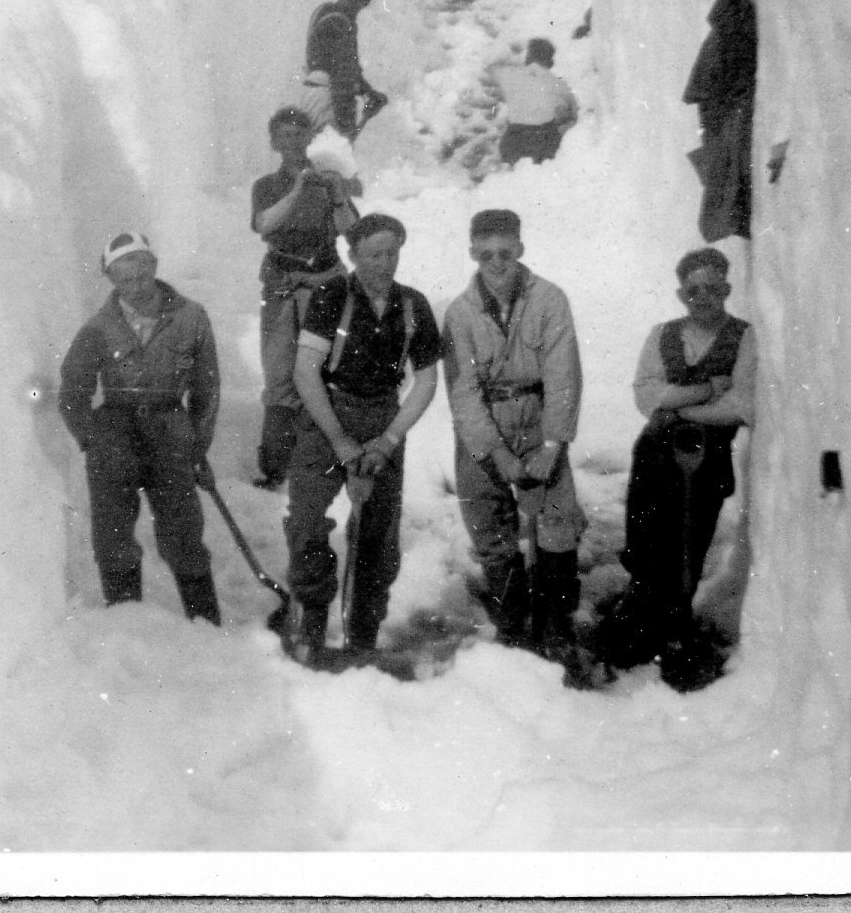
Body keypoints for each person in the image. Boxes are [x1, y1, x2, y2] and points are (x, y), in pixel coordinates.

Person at [440, 209, 594, 678]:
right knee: (489, 526)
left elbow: (563, 374)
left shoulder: (549, 300)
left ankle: (556, 625)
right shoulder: (460, 313)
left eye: (505, 253)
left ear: (520, 250)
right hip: (484, 424)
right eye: (486, 255)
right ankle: (512, 621)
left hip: (537, 416)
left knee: (555, 522)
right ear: (472, 254)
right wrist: (496, 452)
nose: (497, 263)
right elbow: (462, 391)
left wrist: (552, 443)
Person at [283, 213, 441, 664]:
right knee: (308, 522)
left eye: (392, 253)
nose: (384, 263)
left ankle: (363, 636)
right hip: (327, 413)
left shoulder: (413, 305)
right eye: (374, 254)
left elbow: (426, 381)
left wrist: (389, 439)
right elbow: (305, 371)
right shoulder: (330, 296)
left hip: (381, 418)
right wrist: (338, 439)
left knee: (378, 534)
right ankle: (310, 626)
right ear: (353, 256)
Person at [603, 247, 757, 687]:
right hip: (654, 454)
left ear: (726, 289)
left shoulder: (743, 337)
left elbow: (741, 406)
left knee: (689, 538)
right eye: (693, 290)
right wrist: (706, 389)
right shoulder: (662, 335)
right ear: (680, 293)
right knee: (644, 535)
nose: (702, 297)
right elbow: (646, 397)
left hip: (705, 460)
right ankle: (640, 614)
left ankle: (677, 625)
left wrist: (681, 409)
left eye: (712, 288)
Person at [58, 231, 223, 624]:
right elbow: (71, 391)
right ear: (112, 280)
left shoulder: (191, 317)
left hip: (170, 428)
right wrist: (91, 439)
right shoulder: (98, 328)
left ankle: (207, 630)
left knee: (183, 533)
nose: (135, 287)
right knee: (113, 537)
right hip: (114, 435)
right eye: (124, 279)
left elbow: (207, 387)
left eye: (142, 276)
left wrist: (197, 446)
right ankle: (127, 629)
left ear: (154, 269)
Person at [250, 106, 357, 489]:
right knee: (280, 373)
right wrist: (298, 188)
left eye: (300, 135)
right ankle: (276, 466)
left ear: (310, 138)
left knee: (326, 369)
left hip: (325, 283)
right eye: (285, 136)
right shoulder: (265, 186)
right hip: (282, 286)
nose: (293, 143)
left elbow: (354, 232)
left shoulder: (329, 180)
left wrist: (339, 196)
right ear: (274, 143)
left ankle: (330, 459)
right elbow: (264, 225)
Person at [307, 0, 388, 140]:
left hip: (313, 94)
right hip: (328, 101)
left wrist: (368, 92)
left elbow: (344, 69)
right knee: (328, 160)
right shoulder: (341, 24)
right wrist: (346, 124)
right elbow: (342, 75)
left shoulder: (323, 11)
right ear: (366, 2)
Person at [494, 38, 578, 166]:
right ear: (550, 61)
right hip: (542, 145)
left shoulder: (509, 75)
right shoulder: (557, 83)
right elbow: (573, 109)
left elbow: (494, 70)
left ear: (528, 58)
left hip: (512, 144)